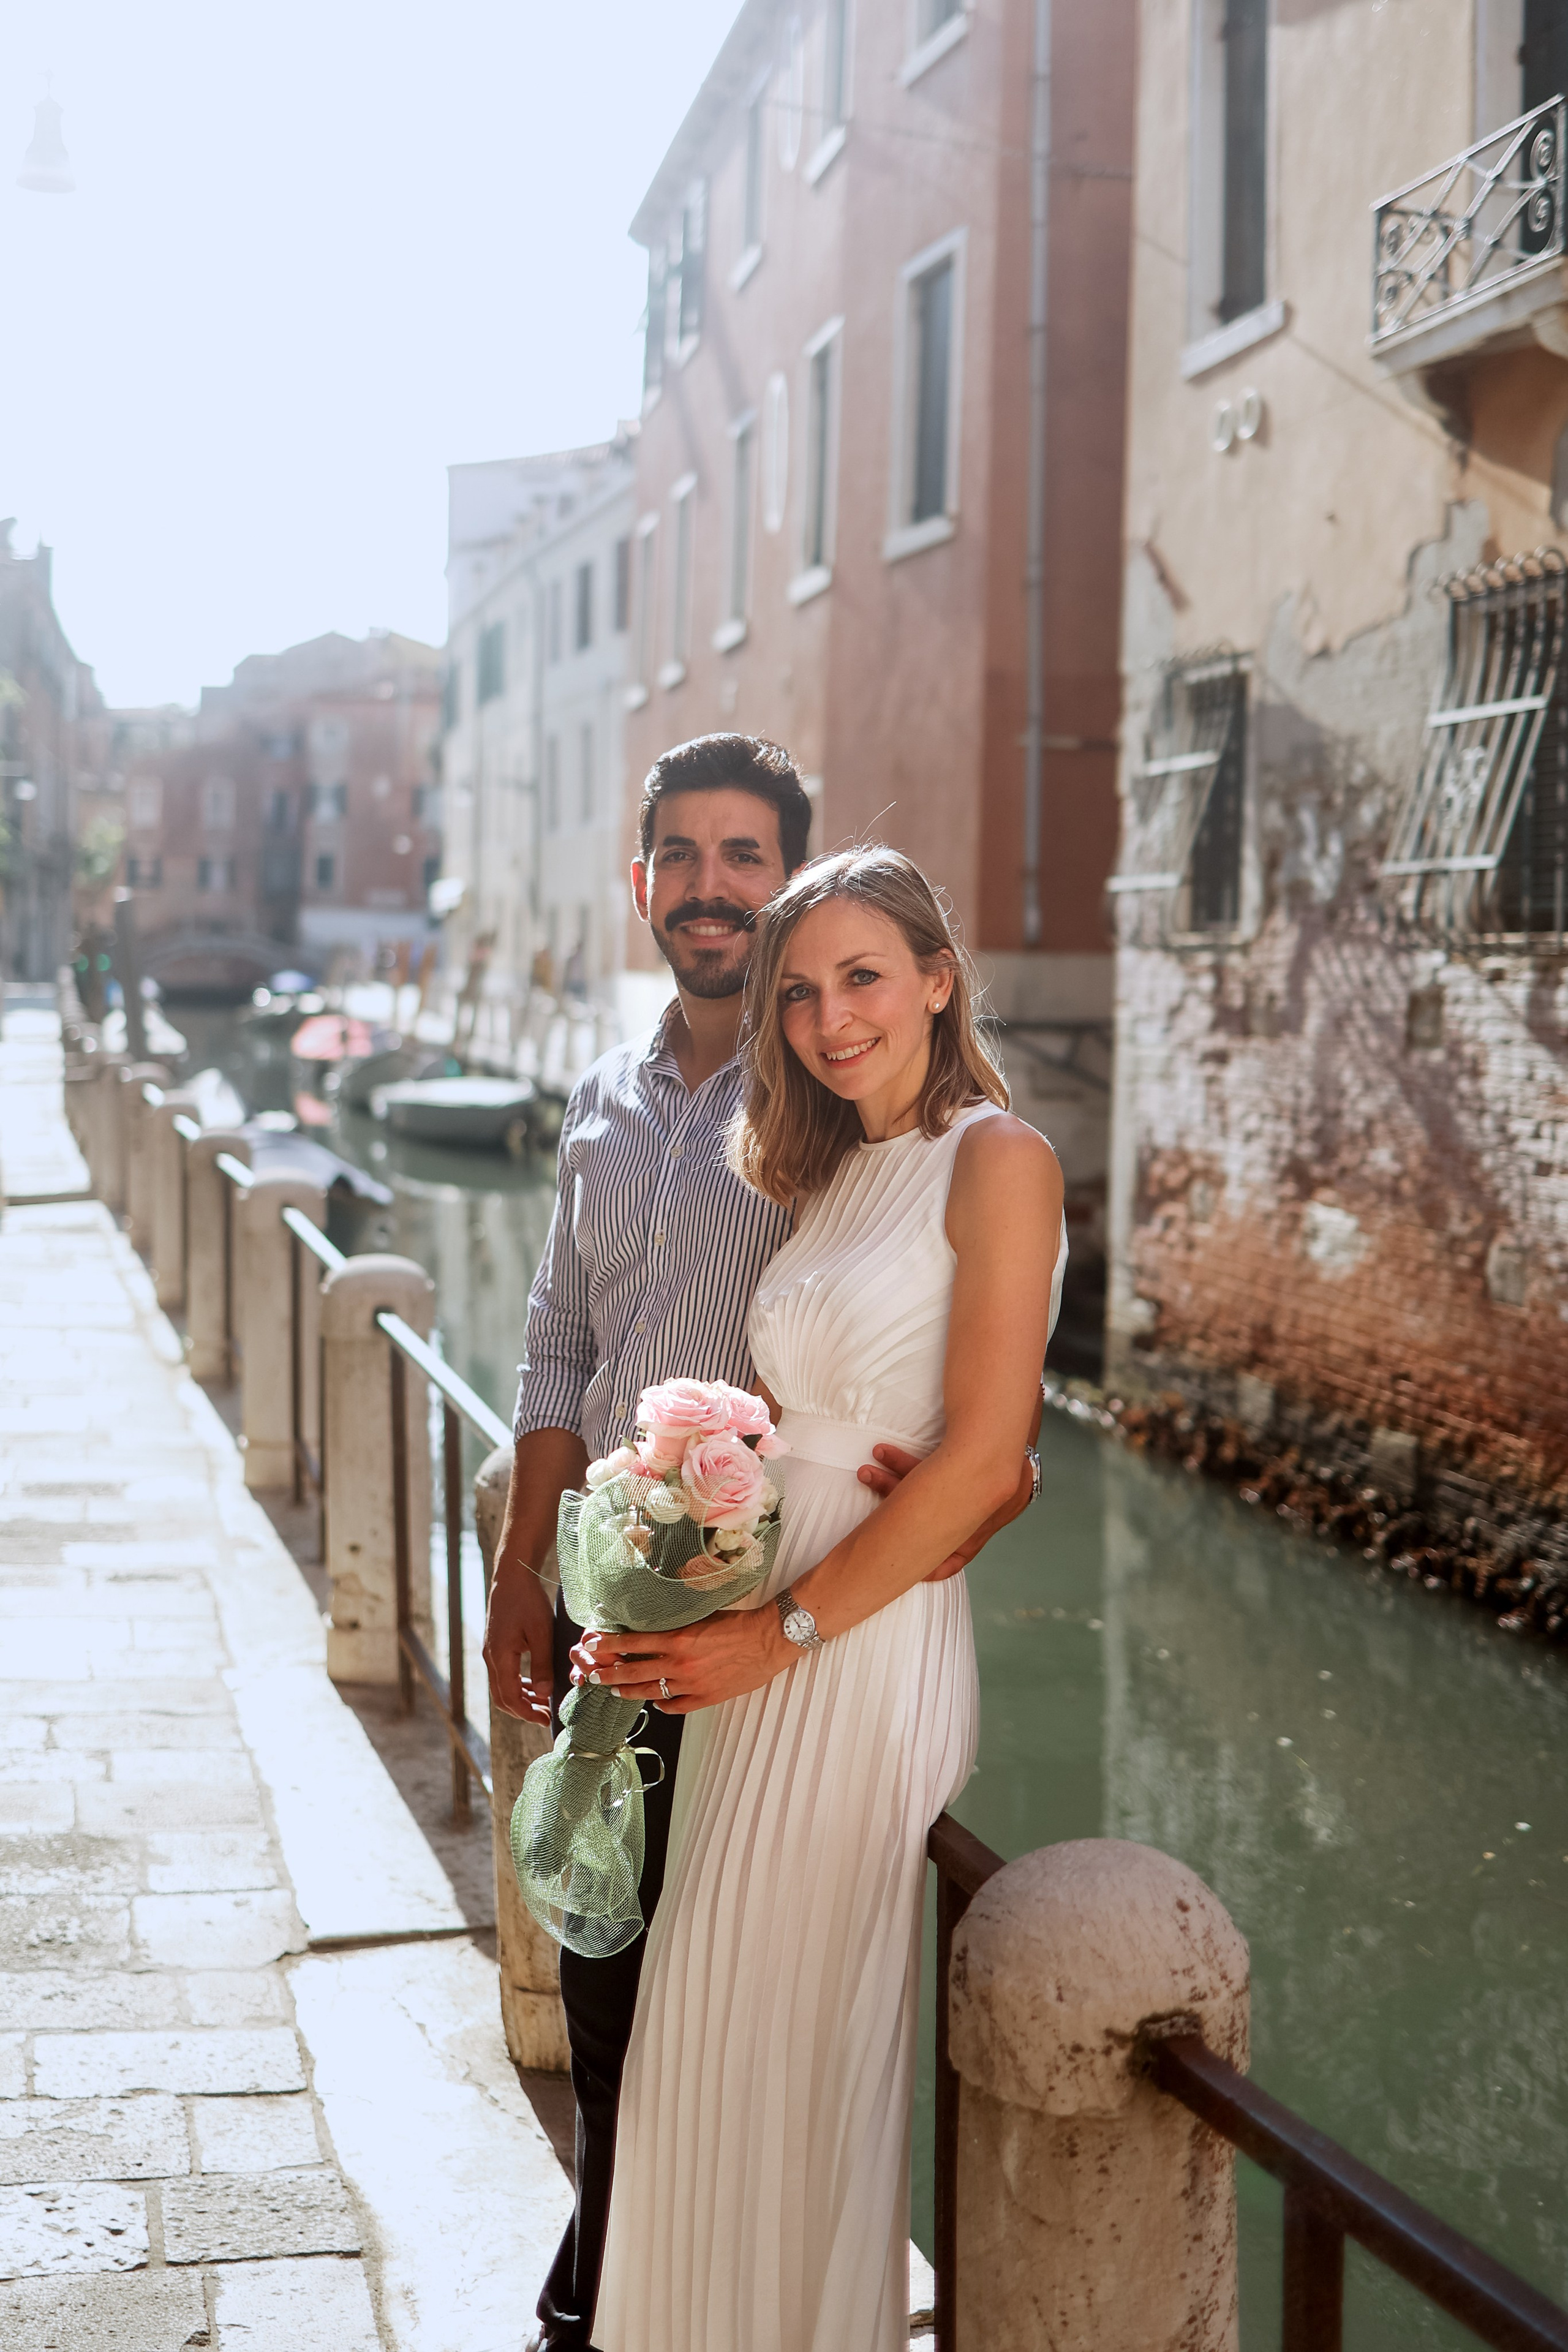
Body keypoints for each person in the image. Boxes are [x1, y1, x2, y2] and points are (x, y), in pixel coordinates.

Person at [483, 741, 1035, 2352]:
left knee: (719, 2026)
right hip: (615, 1601)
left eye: (747, 857)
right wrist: (525, 1566)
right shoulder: (650, 1106)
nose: (711, 884)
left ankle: (621, 2317)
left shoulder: (850, 1124)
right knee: (613, 1991)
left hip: (775, 1626)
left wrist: (980, 1494)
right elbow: (555, 1349)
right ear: (642, 879)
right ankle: (616, 2303)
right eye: (682, 854)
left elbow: (986, 1409)